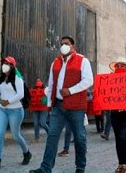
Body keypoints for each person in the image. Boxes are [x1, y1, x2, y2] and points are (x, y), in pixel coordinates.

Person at [29, 35, 94, 173]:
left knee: (80, 137)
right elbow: (52, 83)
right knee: (52, 136)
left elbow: (89, 80)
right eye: (62, 43)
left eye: (67, 43)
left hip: (76, 107)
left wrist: (70, 91)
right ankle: (45, 168)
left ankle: (80, 167)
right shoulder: (56, 62)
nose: (64, 45)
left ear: (73, 47)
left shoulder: (83, 61)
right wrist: (49, 102)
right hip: (58, 106)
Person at [0, 56, 32, 171]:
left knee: (16, 135)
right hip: (2, 110)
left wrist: (9, 101)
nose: (4, 65)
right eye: (3, 63)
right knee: (0, 134)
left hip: (15, 111)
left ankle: (27, 153)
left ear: (12, 66)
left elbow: (21, 94)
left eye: (7, 63)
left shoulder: (17, 78)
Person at [108, 57, 126, 173]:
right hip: (114, 114)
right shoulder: (109, 80)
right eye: (117, 65)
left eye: (122, 65)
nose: (119, 67)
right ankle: (121, 164)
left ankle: (124, 165)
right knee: (118, 139)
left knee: (122, 137)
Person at [32, 78, 49, 142]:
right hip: (35, 108)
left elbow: (48, 98)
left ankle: (50, 134)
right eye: (37, 81)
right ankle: (37, 138)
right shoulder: (33, 90)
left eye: (39, 81)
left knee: (43, 123)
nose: (38, 82)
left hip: (43, 108)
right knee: (36, 123)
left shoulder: (46, 90)